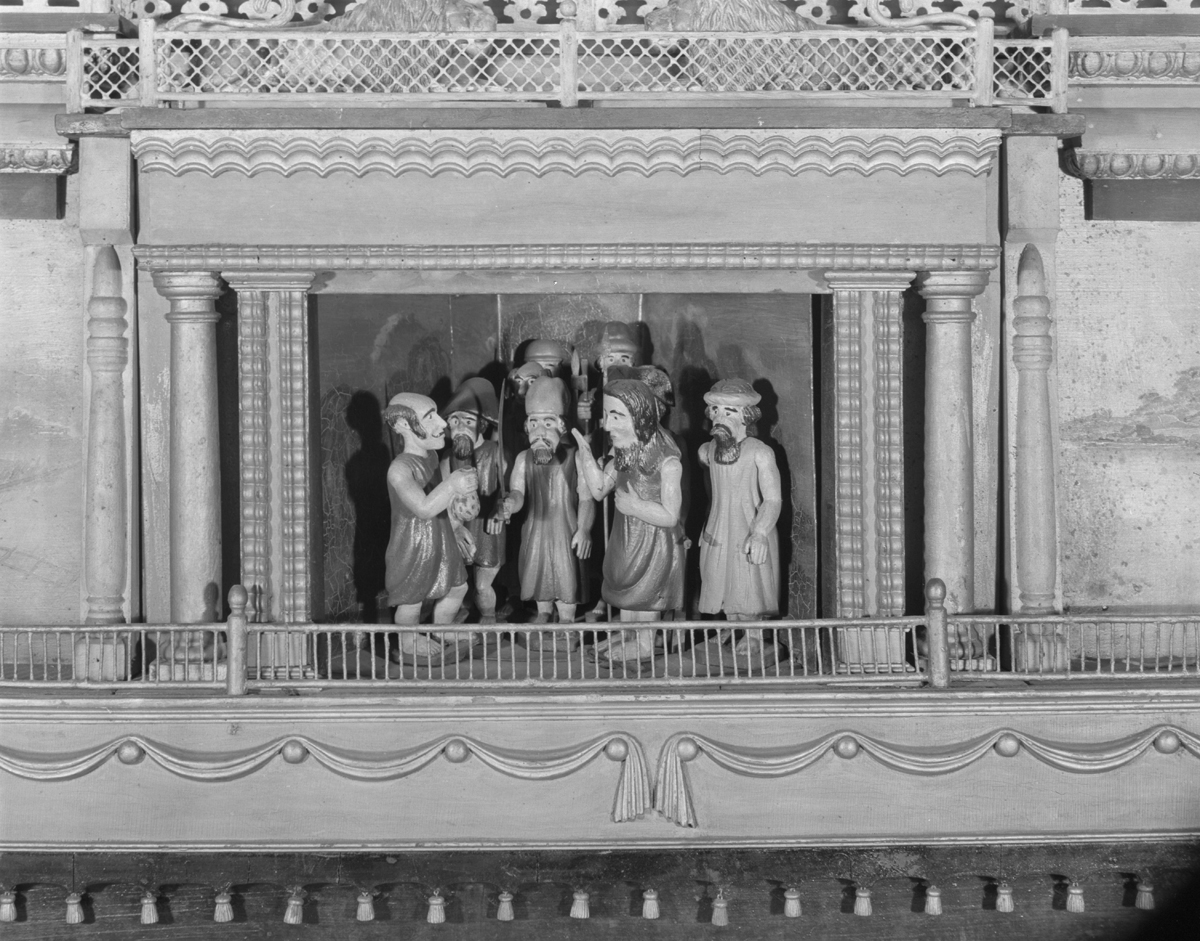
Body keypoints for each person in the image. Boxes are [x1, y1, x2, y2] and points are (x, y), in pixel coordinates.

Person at [573, 377, 686, 662]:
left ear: (640, 416)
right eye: (606, 415)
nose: (608, 426)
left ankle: (645, 645)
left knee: (645, 593)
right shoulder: (622, 454)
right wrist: (584, 456)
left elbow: (671, 516)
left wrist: (636, 507)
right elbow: (599, 490)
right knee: (625, 589)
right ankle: (629, 636)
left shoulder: (668, 462)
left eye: (616, 416)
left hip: (654, 541)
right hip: (626, 537)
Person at [383, 392, 476, 660]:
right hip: (413, 542)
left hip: (441, 534)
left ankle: (442, 628)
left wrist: (456, 525)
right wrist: (452, 485)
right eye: (430, 417)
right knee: (411, 597)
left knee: (457, 586)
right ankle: (409, 643)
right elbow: (423, 507)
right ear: (402, 424)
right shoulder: (399, 469)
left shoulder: (431, 458)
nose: (443, 423)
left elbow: (441, 499)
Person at [498, 377, 595, 627]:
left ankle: (566, 619)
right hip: (535, 529)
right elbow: (518, 493)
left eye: (548, 422)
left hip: (566, 528)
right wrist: (509, 503)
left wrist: (584, 528)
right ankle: (543, 612)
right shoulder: (523, 459)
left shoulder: (576, 457)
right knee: (537, 572)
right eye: (534, 423)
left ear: (561, 426)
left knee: (565, 574)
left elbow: (586, 496)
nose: (540, 431)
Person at [697, 379, 782, 661]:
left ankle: (755, 636)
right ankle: (733, 627)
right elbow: (713, 490)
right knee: (720, 577)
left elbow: (772, 499)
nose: (720, 417)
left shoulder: (760, 452)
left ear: (746, 417)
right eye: (716, 410)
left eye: (729, 412)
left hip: (749, 525)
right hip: (719, 525)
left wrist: (759, 532)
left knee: (748, 581)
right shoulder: (708, 450)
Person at [440, 377, 506, 623]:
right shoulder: (448, 458)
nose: (460, 427)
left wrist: (501, 509)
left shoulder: (495, 452)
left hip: (488, 529)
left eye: (468, 421)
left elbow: (509, 488)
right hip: (459, 528)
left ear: (482, 425)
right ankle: (453, 615)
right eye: (455, 421)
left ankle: (488, 618)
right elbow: (444, 499)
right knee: (455, 580)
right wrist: (455, 527)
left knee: (481, 584)